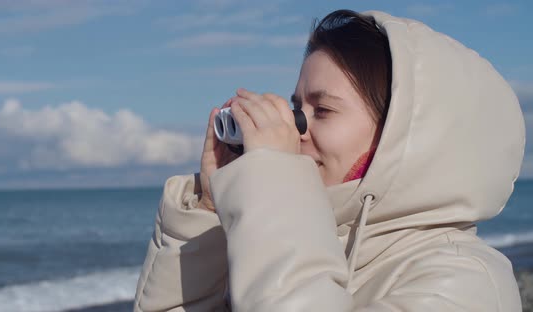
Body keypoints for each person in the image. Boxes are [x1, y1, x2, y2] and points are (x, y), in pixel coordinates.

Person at [134, 9, 524, 311]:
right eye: (295, 107)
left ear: (401, 136)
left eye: (321, 110)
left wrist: (274, 186)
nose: (295, 127)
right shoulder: (277, 241)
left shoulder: (466, 281)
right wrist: (208, 213)